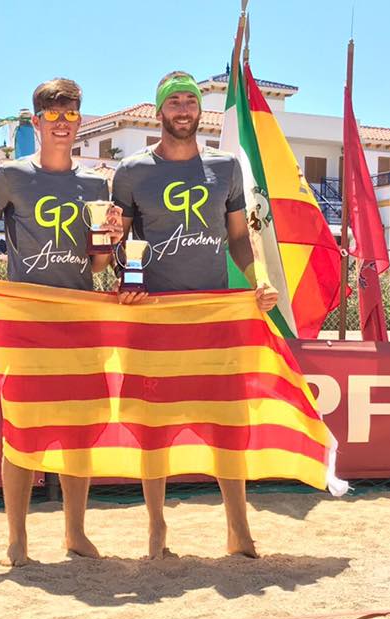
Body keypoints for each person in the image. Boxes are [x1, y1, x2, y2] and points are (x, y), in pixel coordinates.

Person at [0, 78, 122, 566]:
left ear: (79, 121)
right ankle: (16, 540)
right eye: (52, 115)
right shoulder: (11, 176)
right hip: (27, 323)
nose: (62, 123)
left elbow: (96, 266)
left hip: (80, 320)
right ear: (38, 122)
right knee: (22, 429)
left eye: (70, 114)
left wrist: (110, 240)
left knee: (80, 430)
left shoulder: (95, 185)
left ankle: (75, 534)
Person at [111, 70, 280, 560]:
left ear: (199, 109)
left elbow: (240, 237)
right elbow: (117, 242)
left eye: (190, 101)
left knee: (227, 422)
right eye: (174, 102)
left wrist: (259, 279)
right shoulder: (131, 172)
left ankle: (238, 529)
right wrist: (126, 279)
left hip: (212, 316)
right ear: (159, 111)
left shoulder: (226, 168)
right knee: (154, 426)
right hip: (154, 317)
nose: (183, 110)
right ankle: (157, 529)